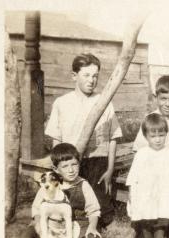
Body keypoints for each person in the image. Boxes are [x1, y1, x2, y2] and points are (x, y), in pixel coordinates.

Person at [45, 53, 122, 227]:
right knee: (67, 205)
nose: (91, 80)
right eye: (86, 75)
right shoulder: (62, 103)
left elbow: (113, 138)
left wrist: (109, 170)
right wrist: (59, 168)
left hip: (97, 163)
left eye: (95, 76)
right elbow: (56, 140)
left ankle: (100, 223)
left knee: (103, 211)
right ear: (74, 76)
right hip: (70, 162)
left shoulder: (104, 102)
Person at [17, 143, 105, 238]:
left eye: (74, 164)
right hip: (49, 224)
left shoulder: (83, 184)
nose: (71, 170)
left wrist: (92, 226)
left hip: (78, 225)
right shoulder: (48, 184)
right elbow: (36, 207)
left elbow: (94, 210)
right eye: (65, 166)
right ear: (56, 169)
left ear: (79, 164)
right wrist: (38, 221)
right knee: (26, 236)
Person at [126, 113, 169, 238]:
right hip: (146, 192)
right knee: (144, 216)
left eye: (161, 135)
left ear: (166, 134)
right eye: (153, 136)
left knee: (162, 218)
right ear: (146, 136)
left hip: (163, 192)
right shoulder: (141, 153)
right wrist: (132, 191)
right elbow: (133, 175)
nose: (157, 140)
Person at [132, 75, 169, 158]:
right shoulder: (149, 119)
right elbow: (138, 151)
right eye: (163, 99)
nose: (168, 104)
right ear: (155, 98)